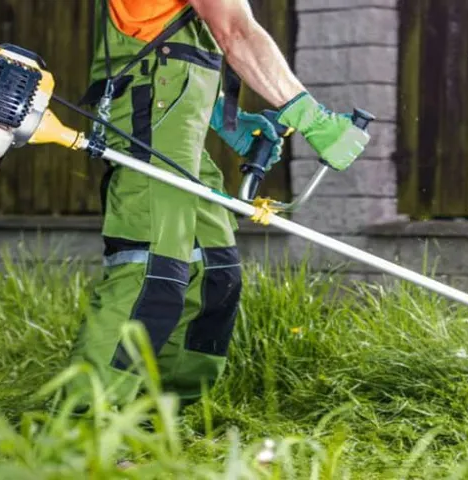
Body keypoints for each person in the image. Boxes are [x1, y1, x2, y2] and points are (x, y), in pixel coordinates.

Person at [64, 0, 370, 411]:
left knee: (213, 270)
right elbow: (236, 33)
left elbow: (168, 46)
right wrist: (314, 120)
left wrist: (226, 121)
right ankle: (79, 434)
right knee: (149, 273)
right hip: (149, 120)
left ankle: (159, 418)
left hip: (172, 126)